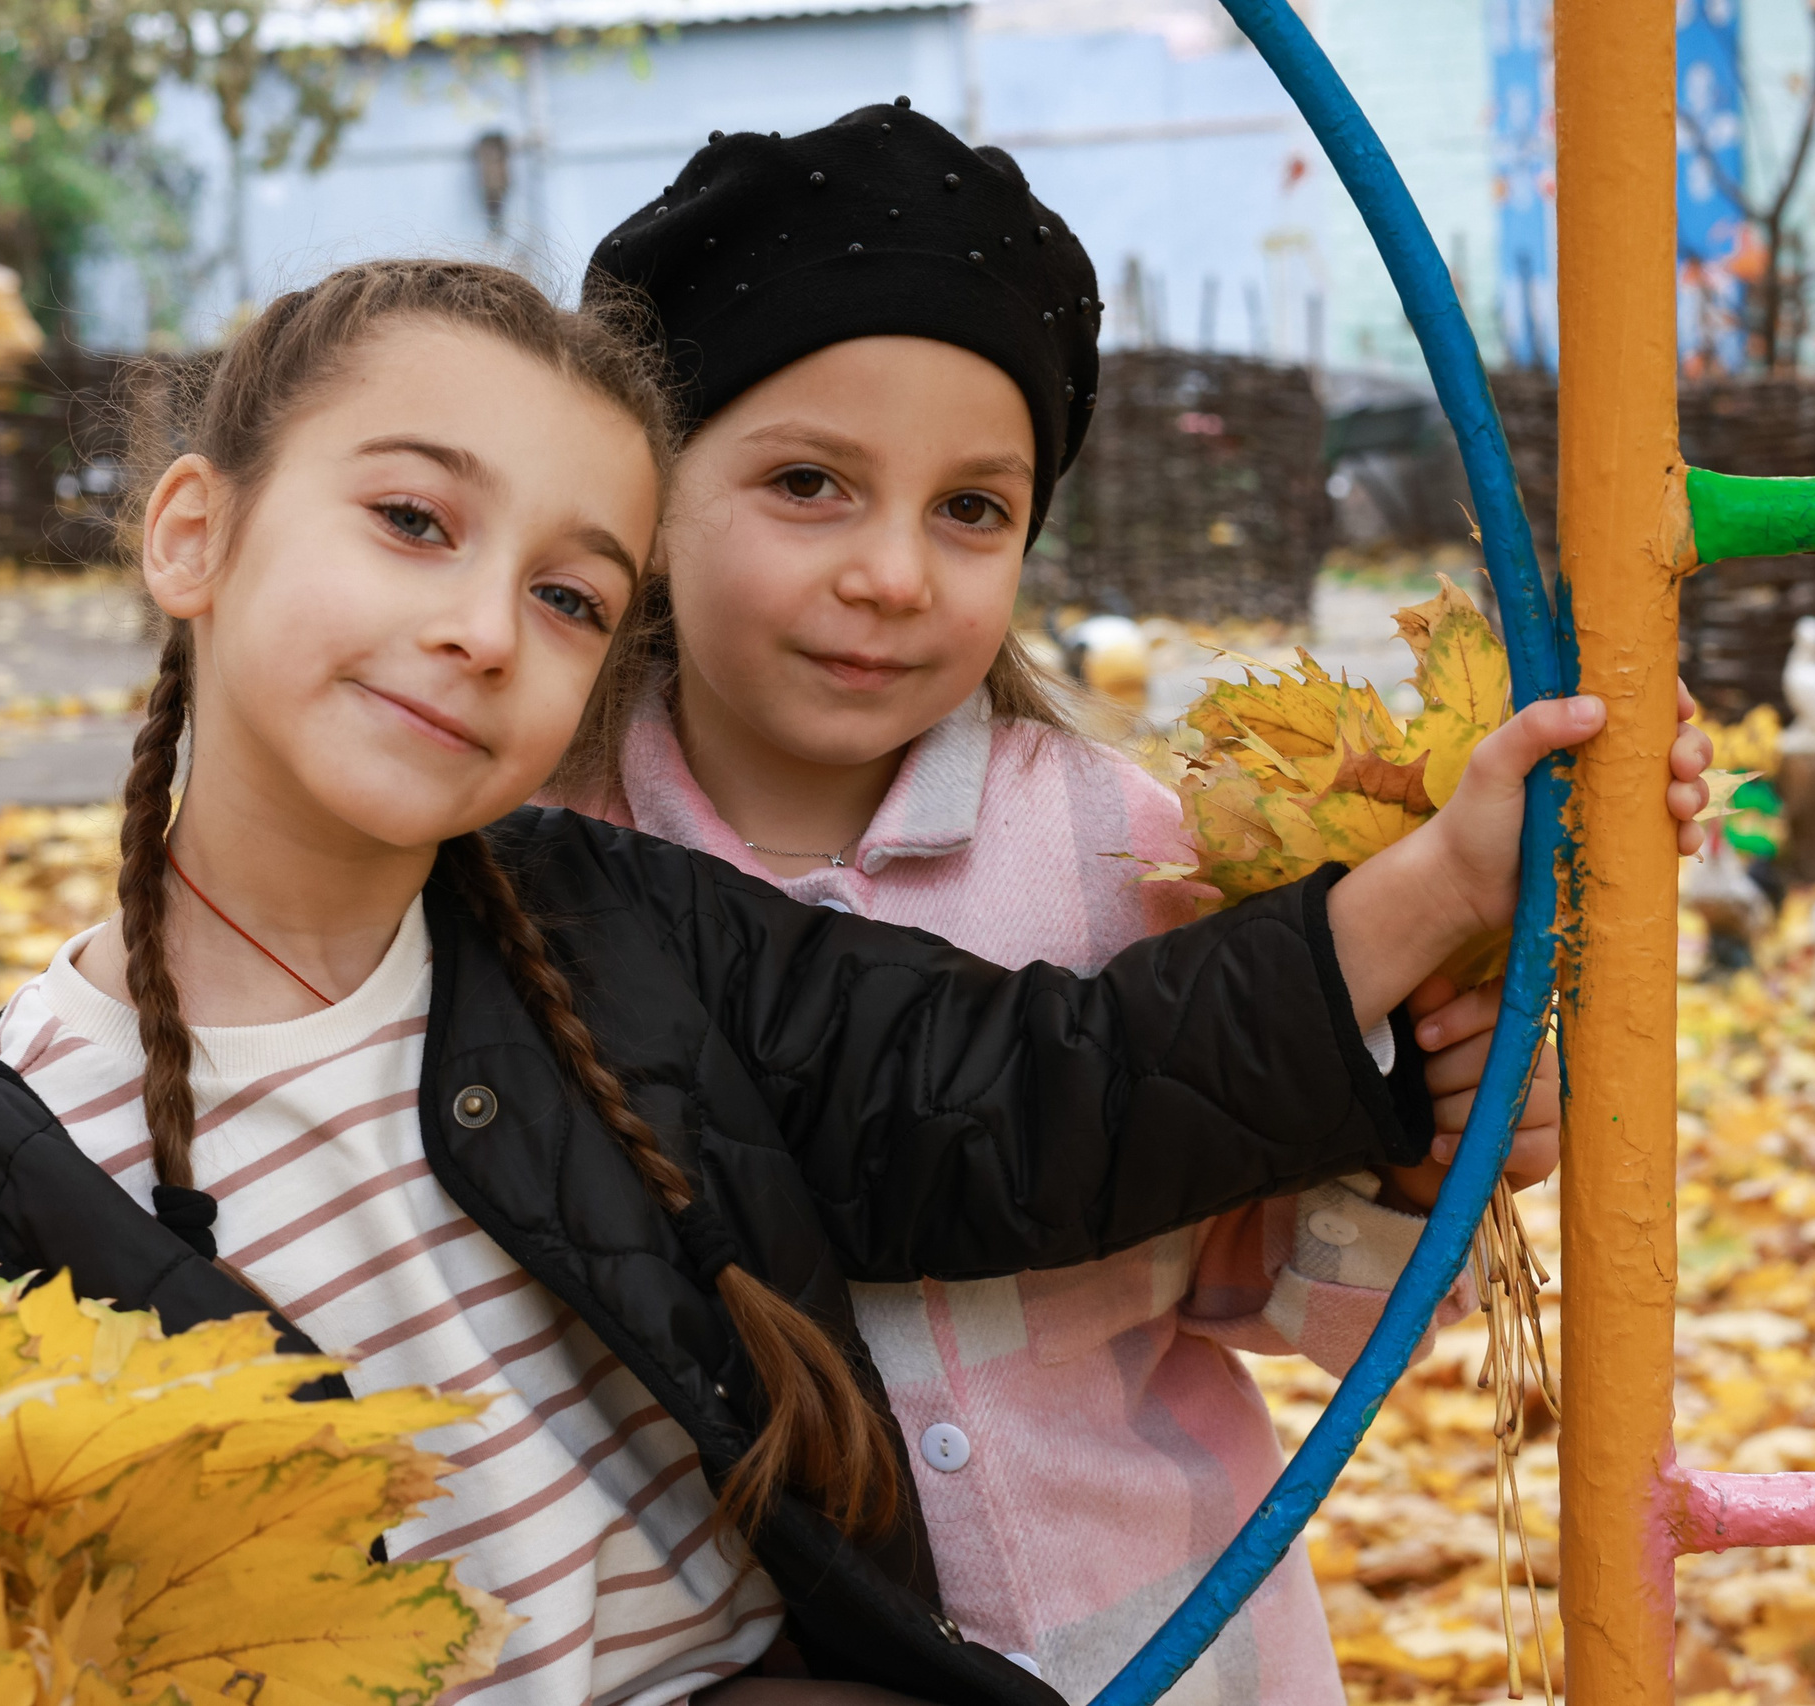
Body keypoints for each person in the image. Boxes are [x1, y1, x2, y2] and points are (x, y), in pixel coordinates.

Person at [0, 256, 1693, 1706]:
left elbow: (1037, 1088)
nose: (486, 626)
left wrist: (1442, 880)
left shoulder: (616, 932)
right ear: (196, 532)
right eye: (413, 520)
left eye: (572, 595)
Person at [564, 106, 1715, 1700]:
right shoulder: (549, 869)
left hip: (1175, 1652)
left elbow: (1272, 1274)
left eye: (972, 508)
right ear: (648, 499)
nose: (896, 572)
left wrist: (1425, 1152)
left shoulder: (1120, 846)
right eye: (812, 482)